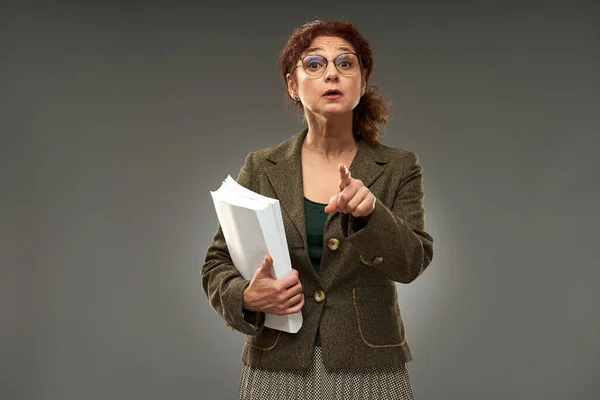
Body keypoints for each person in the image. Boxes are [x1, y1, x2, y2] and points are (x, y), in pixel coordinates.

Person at [202, 19, 434, 399]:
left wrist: (372, 216)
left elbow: (412, 262)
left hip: (369, 368)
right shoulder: (262, 166)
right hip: (278, 368)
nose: (332, 73)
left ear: (362, 81)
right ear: (293, 85)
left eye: (346, 63)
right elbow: (216, 263)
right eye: (314, 64)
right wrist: (245, 297)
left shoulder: (398, 167)